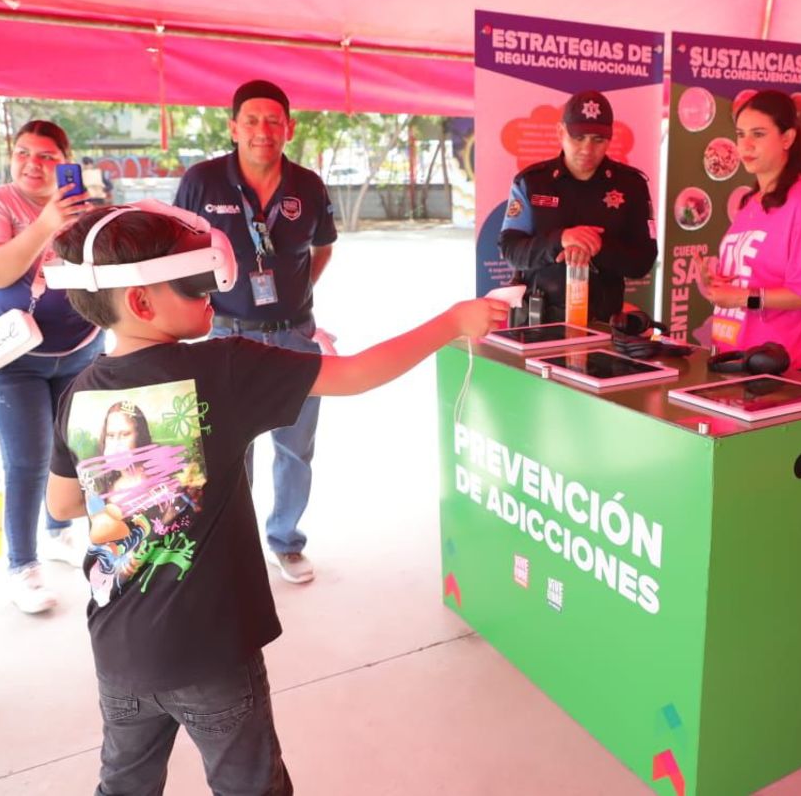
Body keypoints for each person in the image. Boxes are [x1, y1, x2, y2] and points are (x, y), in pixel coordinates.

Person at [43, 204, 506, 793]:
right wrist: (453, 322)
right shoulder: (225, 367)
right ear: (141, 301)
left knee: (123, 785)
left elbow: (62, 504)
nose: (213, 294)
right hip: (211, 652)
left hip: (120, 649)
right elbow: (355, 374)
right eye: (196, 283)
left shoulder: (80, 391)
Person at [173, 80, 335, 585]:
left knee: (295, 449)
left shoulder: (308, 185)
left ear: (289, 128)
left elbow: (323, 248)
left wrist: (295, 294)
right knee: (227, 450)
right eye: (252, 120)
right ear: (233, 127)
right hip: (225, 336)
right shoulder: (202, 181)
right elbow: (178, 252)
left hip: (294, 337)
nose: (263, 131)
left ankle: (286, 541)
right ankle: (232, 544)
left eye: (273, 121)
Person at [0, 119, 104, 614]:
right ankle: (22, 565)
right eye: (23, 152)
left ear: (66, 162)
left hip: (80, 347)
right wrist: (46, 222)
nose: (32, 164)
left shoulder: (82, 209)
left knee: (73, 450)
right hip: (12, 359)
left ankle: (58, 531)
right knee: (28, 460)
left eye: (46, 156)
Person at [696, 89, 801, 371]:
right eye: (740, 134)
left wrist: (742, 297)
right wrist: (715, 280)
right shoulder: (750, 202)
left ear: (787, 138)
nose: (746, 145)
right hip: (731, 359)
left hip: (776, 369)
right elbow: (751, 275)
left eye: (758, 134)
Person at [498, 89, 658, 323]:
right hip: (538, 322)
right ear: (560, 132)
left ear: (610, 138)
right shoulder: (532, 182)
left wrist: (598, 246)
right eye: (578, 138)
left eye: (598, 140)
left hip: (603, 326)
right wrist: (560, 240)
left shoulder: (631, 186)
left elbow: (643, 261)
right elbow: (510, 250)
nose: (587, 149)